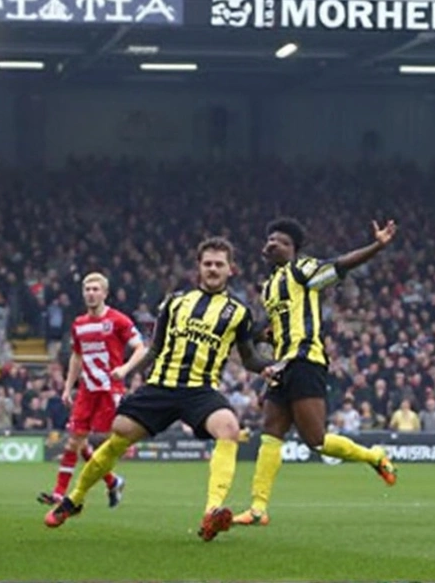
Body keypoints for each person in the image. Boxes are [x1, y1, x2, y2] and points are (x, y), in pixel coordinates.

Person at [44, 237, 273, 542]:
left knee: (229, 428)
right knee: (119, 433)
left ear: (231, 269)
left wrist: (267, 368)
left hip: (200, 391)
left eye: (219, 264)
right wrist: (127, 370)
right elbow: (153, 350)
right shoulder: (175, 302)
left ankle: (212, 512)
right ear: (199, 267)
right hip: (161, 386)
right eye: (208, 264)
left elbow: (248, 358)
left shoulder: (239, 313)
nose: (213, 269)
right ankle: (75, 499)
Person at [234, 218, 399, 528]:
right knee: (270, 433)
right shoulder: (269, 288)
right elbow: (274, 329)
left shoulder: (303, 269)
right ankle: (258, 509)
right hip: (281, 366)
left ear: (294, 250)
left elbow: (339, 265)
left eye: (280, 241)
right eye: (269, 240)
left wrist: (377, 246)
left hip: (306, 361)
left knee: (317, 441)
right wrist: (256, 336)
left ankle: (375, 456)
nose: (272, 244)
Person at [37, 272, 145, 508]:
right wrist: (68, 387)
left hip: (110, 390)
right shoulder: (79, 324)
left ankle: (112, 480)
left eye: (96, 289)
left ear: (105, 293)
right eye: (87, 289)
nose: (91, 293)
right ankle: (59, 493)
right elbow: (77, 356)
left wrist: (125, 369)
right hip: (87, 391)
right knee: (73, 442)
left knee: (107, 445)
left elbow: (141, 348)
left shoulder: (118, 320)